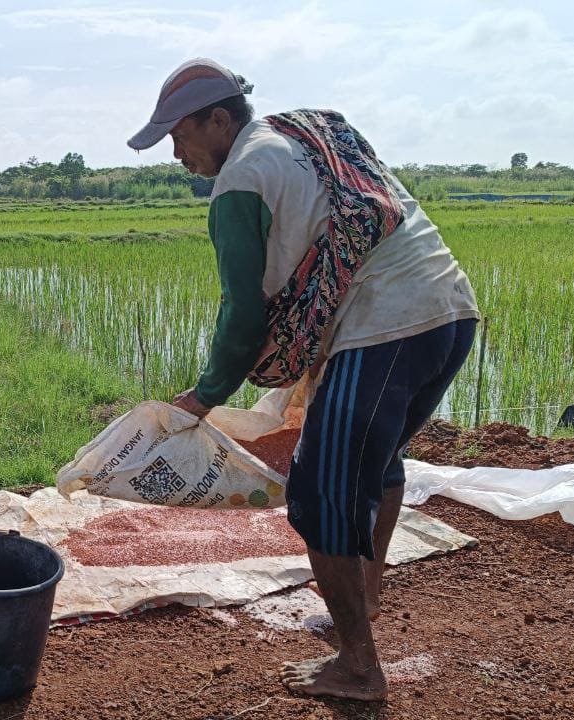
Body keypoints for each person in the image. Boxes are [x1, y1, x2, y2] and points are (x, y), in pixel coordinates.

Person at [129, 58, 479, 701]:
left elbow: (243, 313)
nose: (175, 153)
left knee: (320, 494)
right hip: (450, 314)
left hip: (384, 327)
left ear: (218, 119)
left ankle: (357, 667)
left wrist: (205, 396)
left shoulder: (240, 179)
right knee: (377, 462)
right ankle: (365, 598)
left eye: (179, 135)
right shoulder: (300, 135)